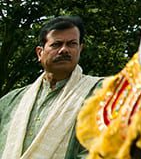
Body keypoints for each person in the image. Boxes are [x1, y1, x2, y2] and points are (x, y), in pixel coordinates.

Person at [0, 16, 102, 159]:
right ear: (40, 53)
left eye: (72, 44)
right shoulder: (11, 102)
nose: (64, 50)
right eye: (56, 44)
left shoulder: (101, 92)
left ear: (80, 49)